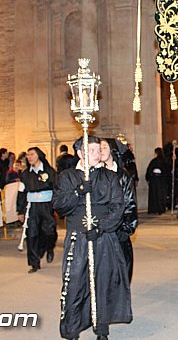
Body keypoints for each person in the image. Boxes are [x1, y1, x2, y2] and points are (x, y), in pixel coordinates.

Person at [53, 135, 132, 340]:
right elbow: (60, 205)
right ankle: (72, 328)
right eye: (92, 150)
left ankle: (101, 329)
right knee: (75, 283)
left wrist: (102, 227)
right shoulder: (67, 176)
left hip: (103, 236)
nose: (97, 154)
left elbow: (118, 206)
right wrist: (79, 192)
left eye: (98, 150)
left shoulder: (110, 176)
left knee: (103, 282)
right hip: (77, 237)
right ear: (79, 153)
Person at [99, 138, 138, 281]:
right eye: (99, 147)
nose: (100, 150)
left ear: (112, 150)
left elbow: (130, 203)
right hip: (101, 229)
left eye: (104, 147)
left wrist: (127, 229)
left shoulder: (123, 175)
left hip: (119, 229)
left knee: (122, 270)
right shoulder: (95, 174)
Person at [17, 147, 58, 273]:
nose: (29, 157)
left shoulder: (49, 172)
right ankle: (34, 263)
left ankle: (49, 247)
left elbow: (57, 189)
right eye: (27, 155)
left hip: (46, 206)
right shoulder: (25, 174)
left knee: (49, 232)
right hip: (32, 207)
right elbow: (21, 193)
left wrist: (56, 205)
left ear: (39, 155)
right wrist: (20, 211)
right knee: (32, 234)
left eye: (32, 154)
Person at [145, 148, 170, 215]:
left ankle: (158, 209)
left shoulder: (162, 161)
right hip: (157, 180)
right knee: (156, 195)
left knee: (159, 195)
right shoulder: (155, 161)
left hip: (159, 180)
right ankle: (156, 209)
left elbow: (166, 171)